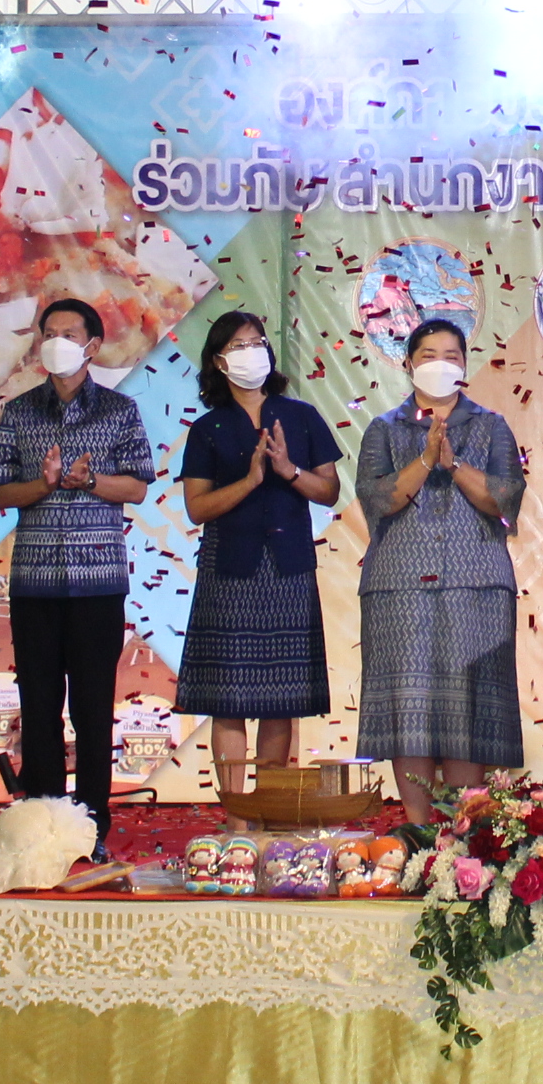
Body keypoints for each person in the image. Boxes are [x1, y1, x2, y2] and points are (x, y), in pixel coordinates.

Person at [0, 297, 155, 849]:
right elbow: (1, 491)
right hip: (34, 582)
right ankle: (42, 824)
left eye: (69, 334)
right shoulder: (19, 411)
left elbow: (137, 486)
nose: (57, 343)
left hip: (98, 582)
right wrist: (44, 484)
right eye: (49, 333)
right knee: (39, 707)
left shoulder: (119, 411)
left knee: (92, 708)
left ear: (93, 346)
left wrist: (89, 482)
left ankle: (90, 827)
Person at [354, 318, 525, 801]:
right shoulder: (383, 429)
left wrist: (453, 463)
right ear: (408, 364)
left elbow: (504, 500)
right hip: (399, 587)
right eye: (428, 356)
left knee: (468, 714)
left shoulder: (492, 426)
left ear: (465, 365)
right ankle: (417, 831)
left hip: (477, 586)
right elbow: (380, 500)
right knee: (408, 713)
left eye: (451, 356)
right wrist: (426, 458)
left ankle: (461, 834)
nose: (440, 364)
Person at [177, 310, 342, 796]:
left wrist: (288, 470)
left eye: (258, 343)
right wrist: (249, 481)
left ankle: (269, 806)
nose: (252, 353)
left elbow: (329, 491)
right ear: (218, 361)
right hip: (228, 567)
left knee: (280, 699)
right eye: (239, 346)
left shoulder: (302, 416)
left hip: (288, 566)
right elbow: (197, 507)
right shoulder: (207, 428)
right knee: (226, 699)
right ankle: (235, 813)